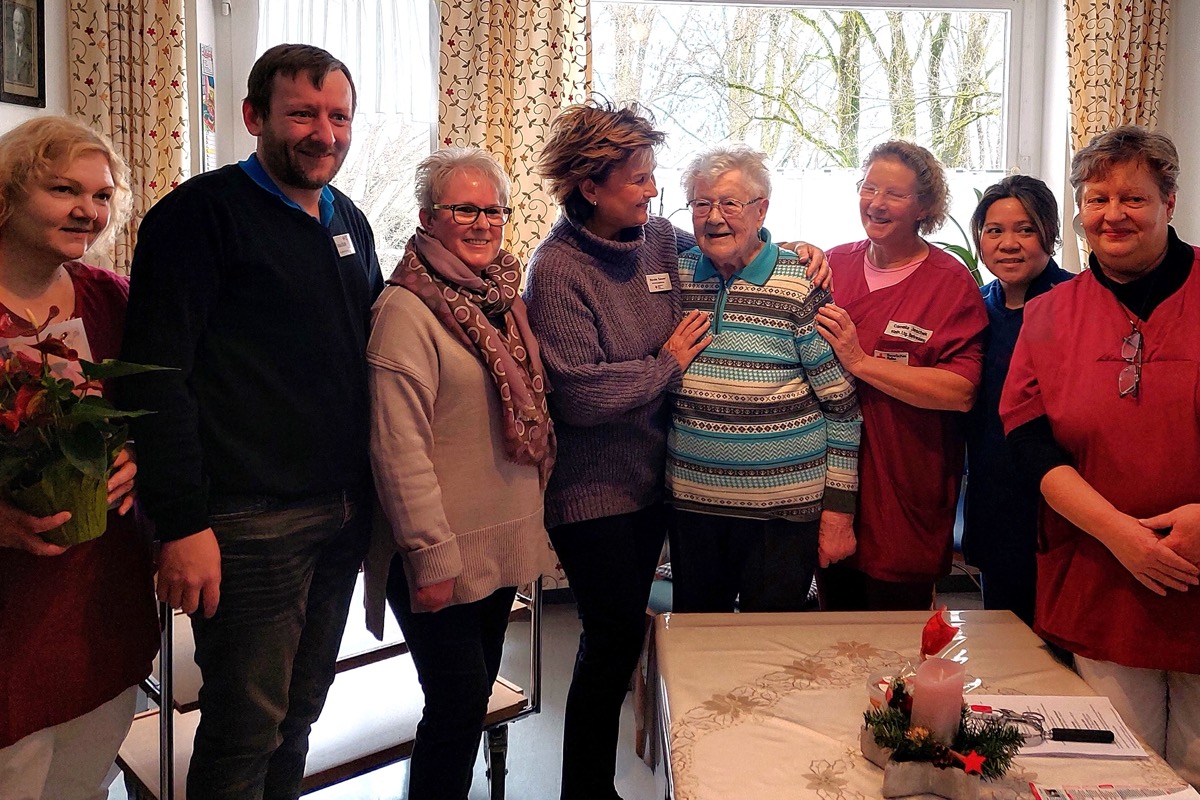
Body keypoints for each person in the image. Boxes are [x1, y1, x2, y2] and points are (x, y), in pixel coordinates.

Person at [524, 99, 829, 800]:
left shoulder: (656, 240)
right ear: (590, 187)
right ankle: (585, 793)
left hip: (656, 482)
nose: (653, 190)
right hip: (595, 494)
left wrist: (799, 249)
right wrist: (665, 365)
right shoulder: (559, 269)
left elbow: (734, 249)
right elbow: (580, 396)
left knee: (635, 642)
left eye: (653, 175)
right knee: (610, 642)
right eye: (638, 179)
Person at [119, 44, 382, 800]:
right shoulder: (197, 217)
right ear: (253, 116)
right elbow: (156, 378)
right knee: (244, 733)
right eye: (303, 114)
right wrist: (181, 524)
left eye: (339, 117)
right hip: (248, 524)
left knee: (299, 718)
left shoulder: (348, 217)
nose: (324, 134)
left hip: (340, 514)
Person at [1000, 125, 1200, 784]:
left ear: (1169, 202)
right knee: (1119, 769)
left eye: (1133, 198)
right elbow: (1028, 440)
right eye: (1096, 198)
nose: (1113, 214)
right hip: (1101, 572)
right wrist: (1120, 535)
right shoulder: (1049, 314)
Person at [363, 146, 556, 799]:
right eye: (465, 210)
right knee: (455, 704)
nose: (483, 223)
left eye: (494, 210)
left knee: (470, 703)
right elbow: (398, 449)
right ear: (427, 217)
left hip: (497, 542)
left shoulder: (502, 299)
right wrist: (430, 555)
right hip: (440, 551)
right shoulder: (405, 311)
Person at [0, 117, 157, 800]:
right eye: (63, 189)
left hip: (99, 596)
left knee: (84, 781)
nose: (87, 211)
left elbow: (153, 411)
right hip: (10, 607)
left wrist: (139, 456)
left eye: (101, 196)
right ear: (8, 192)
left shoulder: (110, 298)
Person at [666, 144, 862, 613]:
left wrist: (838, 513)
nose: (715, 218)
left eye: (730, 204)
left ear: (761, 210)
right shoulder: (676, 277)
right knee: (696, 643)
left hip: (783, 514)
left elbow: (842, 408)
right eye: (701, 204)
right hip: (694, 507)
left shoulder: (801, 282)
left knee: (771, 644)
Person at [816, 140, 988, 611]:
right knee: (831, 628)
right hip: (831, 486)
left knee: (897, 636)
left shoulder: (948, 282)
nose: (876, 203)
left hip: (905, 482)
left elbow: (961, 391)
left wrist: (861, 362)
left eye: (894, 194)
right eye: (869, 188)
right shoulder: (832, 265)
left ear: (924, 207)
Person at [961, 175, 1073, 627]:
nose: (1009, 244)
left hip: (1059, 501)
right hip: (993, 494)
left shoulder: (1077, 302)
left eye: (1025, 229)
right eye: (995, 230)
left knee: (1059, 639)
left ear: (1050, 232)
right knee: (1003, 633)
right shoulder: (975, 308)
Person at [5, 5, 32, 86]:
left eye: (20, 24)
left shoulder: (29, 56)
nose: (17, 28)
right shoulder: (6, 51)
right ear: (13, 25)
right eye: (15, 23)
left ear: (24, 27)